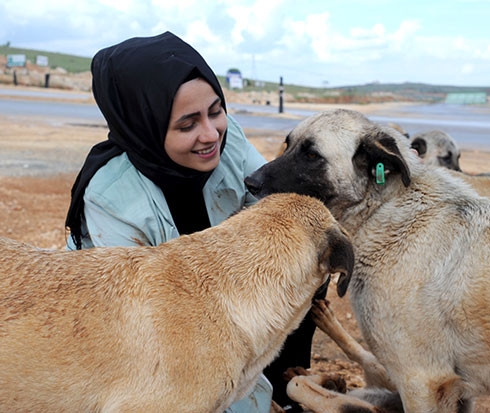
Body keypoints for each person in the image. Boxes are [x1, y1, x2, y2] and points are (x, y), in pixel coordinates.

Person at [64, 31, 324, 412]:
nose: (210, 134)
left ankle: (283, 391)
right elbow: (142, 333)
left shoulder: (227, 135)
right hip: (157, 341)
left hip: (222, 301)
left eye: (215, 111)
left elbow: (271, 202)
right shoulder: (111, 200)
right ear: (144, 125)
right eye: (187, 125)